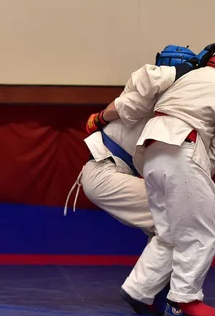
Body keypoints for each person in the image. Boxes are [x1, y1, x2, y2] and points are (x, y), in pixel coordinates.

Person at [86, 43, 215, 316]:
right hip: (182, 149)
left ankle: (138, 290)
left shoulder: (181, 79)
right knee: (200, 233)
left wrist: (100, 117)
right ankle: (183, 299)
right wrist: (209, 164)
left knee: (169, 231)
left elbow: (133, 100)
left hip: (150, 152)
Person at [64, 45, 202, 238]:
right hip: (104, 173)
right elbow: (129, 103)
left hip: (109, 172)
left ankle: (158, 269)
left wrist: (100, 118)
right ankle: (165, 269)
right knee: (175, 217)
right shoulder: (147, 82)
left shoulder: (173, 103)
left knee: (166, 227)